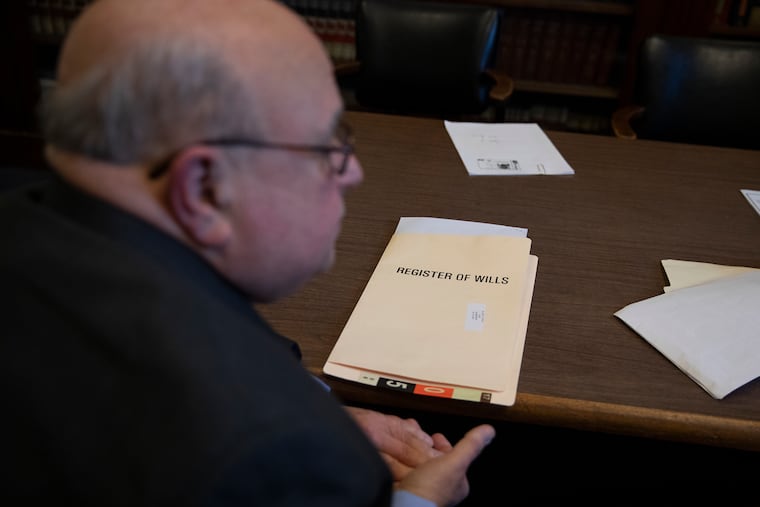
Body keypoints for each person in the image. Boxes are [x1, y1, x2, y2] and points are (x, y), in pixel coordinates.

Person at [0, 0, 495, 505]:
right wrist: (417, 502)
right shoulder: (282, 453)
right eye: (326, 148)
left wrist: (308, 400)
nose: (352, 174)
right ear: (206, 189)